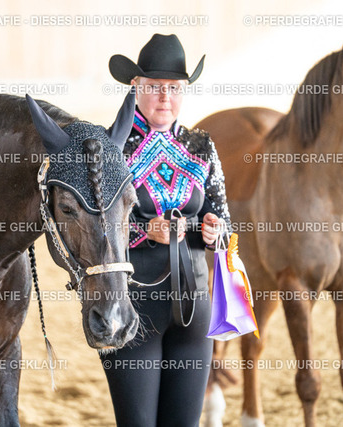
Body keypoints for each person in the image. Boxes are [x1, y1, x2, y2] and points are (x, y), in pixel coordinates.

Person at [100, 34, 230, 427]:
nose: (164, 97)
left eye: (174, 88)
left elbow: (225, 224)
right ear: (135, 86)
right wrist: (144, 231)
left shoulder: (201, 146)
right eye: (155, 86)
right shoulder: (110, 149)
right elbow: (94, 230)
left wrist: (213, 230)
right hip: (132, 306)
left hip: (194, 310)